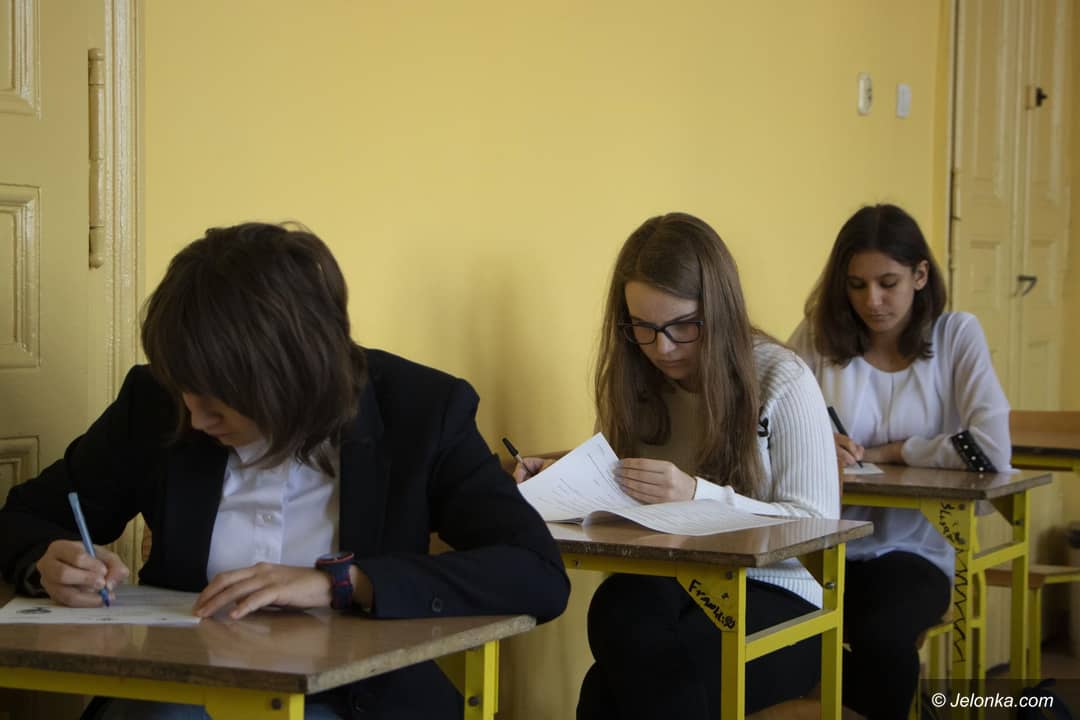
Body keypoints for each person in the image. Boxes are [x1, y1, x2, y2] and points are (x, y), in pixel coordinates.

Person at [0, 222, 570, 720]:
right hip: (181, 698)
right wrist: (46, 561)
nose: (195, 419)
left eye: (219, 399)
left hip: (357, 702)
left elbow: (535, 572)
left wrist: (342, 583)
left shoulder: (421, 411)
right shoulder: (156, 403)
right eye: (185, 389)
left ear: (291, 375)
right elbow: (21, 518)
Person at [516, 212, 839, 718]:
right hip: (676, 588)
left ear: (720, 311)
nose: (662, 348)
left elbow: (816, 525)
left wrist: (696, 495)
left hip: (781, 595)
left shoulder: (782, 378)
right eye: (643, 328)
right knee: (620, 606)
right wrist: (561, 476)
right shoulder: (636, 380)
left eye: (682, 326)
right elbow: (622, 488)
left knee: (608, 692)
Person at [789, 203, 1011, 719]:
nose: (873, 300)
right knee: (763, 631)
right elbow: (765, 427)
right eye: (857, 285)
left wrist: (895, 451)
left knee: (881, 634)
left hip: (916, 553)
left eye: (888, 283)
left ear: (920, 275)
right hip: (825, 549)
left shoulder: (956, 336)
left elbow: (991, 450)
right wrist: (815, 443)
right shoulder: (818, 337)